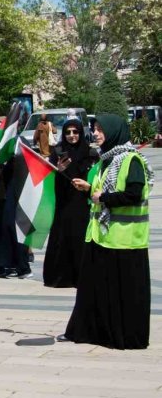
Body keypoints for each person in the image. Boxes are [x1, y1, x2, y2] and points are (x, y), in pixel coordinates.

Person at [62, 114, 153, 349]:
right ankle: (94, 332)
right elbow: (105, 192)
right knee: (97, 289)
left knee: (123, 294)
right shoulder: (107, 160)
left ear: (114, 132)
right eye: (94, 129)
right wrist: (90, 188)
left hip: (125, 240)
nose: (96, 133)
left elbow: (133, 194)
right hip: (101, 236)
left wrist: (102, 196)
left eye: (101, 129)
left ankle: (121, 337)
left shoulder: (131, 160)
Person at [44, 119, 97, 288]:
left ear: (81, 133)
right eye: (68, 132)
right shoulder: (58, 152)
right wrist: (58, 170)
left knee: (81, 238)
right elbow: (49, 181)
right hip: (64, 203)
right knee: (63, 237)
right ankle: (62, 277)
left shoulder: (91, 153)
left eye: (75, 132)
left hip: (83, 203)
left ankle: (82, 276)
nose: (72, 136)